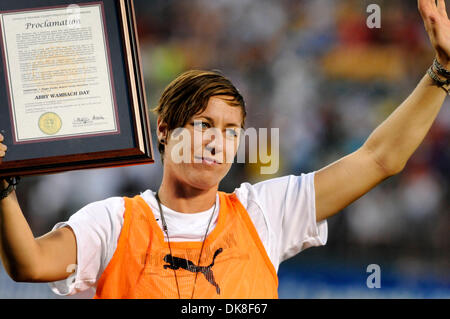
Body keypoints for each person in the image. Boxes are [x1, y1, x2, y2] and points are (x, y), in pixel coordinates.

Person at [0, 0, 449, 298]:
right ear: (164, 130)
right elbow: (31, 263)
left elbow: (379, 157)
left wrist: (441, 72)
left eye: (232, 131)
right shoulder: (114, 222)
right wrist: (3, 189)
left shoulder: (264, 212)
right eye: (202, 125)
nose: (217, 141)